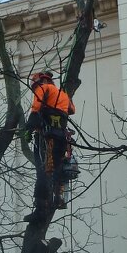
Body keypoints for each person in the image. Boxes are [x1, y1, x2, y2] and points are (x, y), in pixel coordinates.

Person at [24, 71, 76, 223]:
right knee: (57, 169)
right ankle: (57, 198)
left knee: (43, 170)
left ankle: (40, 208)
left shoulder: (43, 88)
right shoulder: (63, 94)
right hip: (61, 137)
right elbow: (72, 110)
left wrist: (28, 128)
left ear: (39, 82)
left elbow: (35, 108)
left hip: (46, 136)